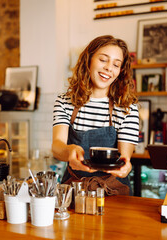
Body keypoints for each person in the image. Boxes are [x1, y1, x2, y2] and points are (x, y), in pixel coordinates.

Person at [52, 35, 139, 195]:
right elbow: (57, 146)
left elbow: (125, 157)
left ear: (120, 71)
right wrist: (70, 151)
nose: (108, 68)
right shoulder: (65, 102)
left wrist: (126, 167)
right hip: (74, 190)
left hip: (114, 192)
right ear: (89, 59)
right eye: (103, 60)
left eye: (116, 64)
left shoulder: (127, 108)